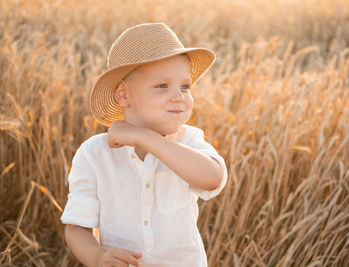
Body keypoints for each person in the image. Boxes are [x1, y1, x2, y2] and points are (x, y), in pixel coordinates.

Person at [61, 23, 228, 267]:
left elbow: (212, 178)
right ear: (123, 95)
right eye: (162, 86)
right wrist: (98, 257)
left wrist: (144, 138)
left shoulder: (188, 140)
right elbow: (76, 228)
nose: (179, 96)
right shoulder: (94, 154)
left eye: (185, 86)